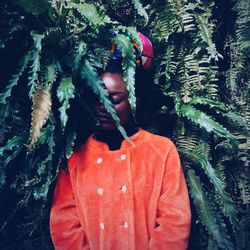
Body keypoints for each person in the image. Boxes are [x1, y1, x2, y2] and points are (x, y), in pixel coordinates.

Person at [50, 33, 191, 250]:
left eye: (114, 99)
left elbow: (174, 222)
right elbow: (64, 224)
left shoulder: (161, 150)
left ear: (134, 100)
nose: (103, 107)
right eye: (98, 97)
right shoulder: (74, 158)